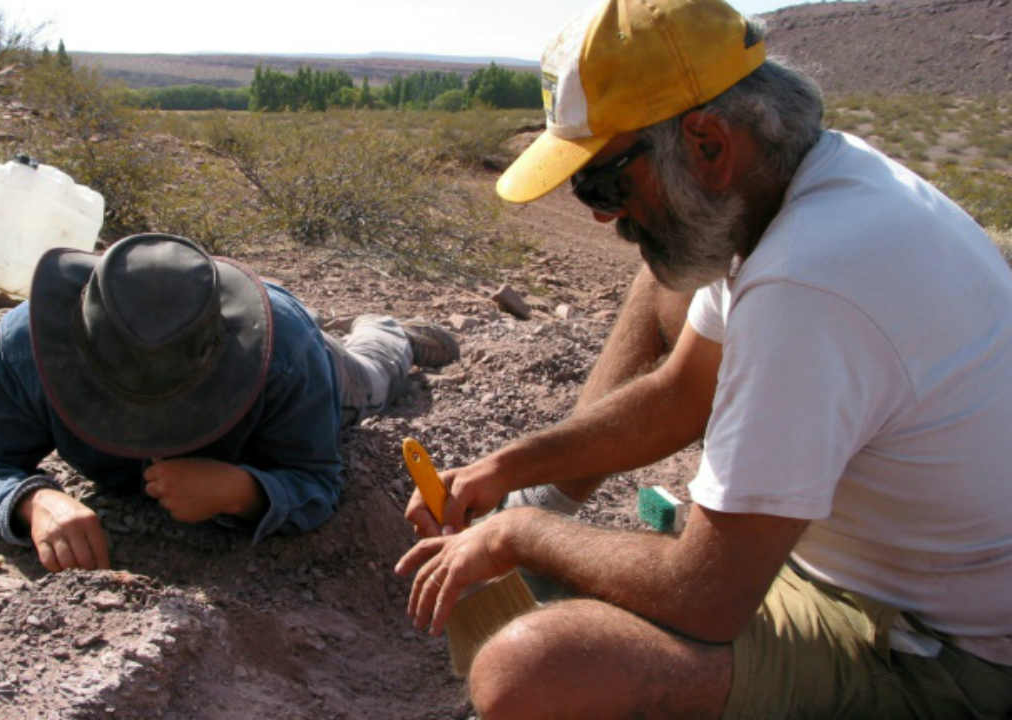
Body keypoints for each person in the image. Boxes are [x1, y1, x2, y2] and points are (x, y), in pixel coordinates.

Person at [395, 0, 1012, 717]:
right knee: (664, 280)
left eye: (606, 182)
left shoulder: (807, 281)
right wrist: (507, 470)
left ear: (709, 143)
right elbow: (679, 395)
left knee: (530, 669)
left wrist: (519, 534)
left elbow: (706, 598)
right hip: (847, 579)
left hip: (936, 655)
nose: (600, 213)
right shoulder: (797, 187)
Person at [0, 232, 458, 573]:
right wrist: (34, 501)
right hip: (233, 316)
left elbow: (317, 480)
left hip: (288, 339)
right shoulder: (29, 346)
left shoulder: (285, 356)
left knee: (371, 377)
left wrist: (243, 490)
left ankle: (388, 331)